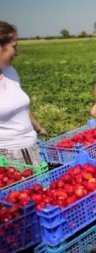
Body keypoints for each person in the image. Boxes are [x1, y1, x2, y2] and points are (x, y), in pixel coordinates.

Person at [0, 21, 47, 165]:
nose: (17, 52)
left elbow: (20, 106)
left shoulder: (10, 72)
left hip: (31, 147)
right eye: (14, 47)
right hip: (7, 157)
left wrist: (37, 127)